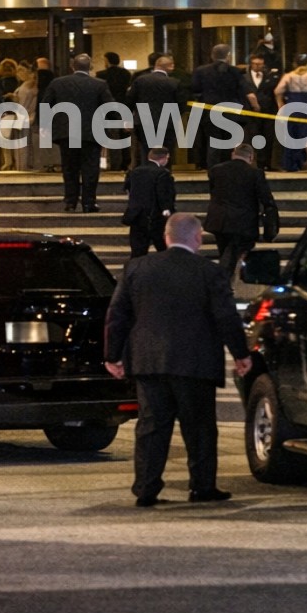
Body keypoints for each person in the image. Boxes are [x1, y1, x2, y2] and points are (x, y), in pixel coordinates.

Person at [104, 213, 252, 507]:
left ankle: (146, 488)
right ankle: (202, 486)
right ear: (197, 238)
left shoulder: (137, 267)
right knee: (199, 428)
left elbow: (117, 314)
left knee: (151, 427)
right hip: (194, 362)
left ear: (166, 236)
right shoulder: (209, 272)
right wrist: (241, 353)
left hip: (148, 361)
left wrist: (112, 355)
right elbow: (225, 316)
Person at [40, 53, 114, 212]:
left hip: (66, 132)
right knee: (91, 168)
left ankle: (70, 201)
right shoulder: (99, 84)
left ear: (72, 66)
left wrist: (45, 126)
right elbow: (110, 107)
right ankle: (89, 203)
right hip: (92, 133)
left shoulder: (58, 83)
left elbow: (45, 104)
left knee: (69, 167)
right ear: (90, 67)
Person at [204, 142, 276, 275]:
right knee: (233, 255)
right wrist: (271, 226)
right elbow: (266, 199)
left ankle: (224, 280)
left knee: (225, 251)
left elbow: (213, 192)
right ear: (251, 157)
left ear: (233, 154)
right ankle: (223, 280)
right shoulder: (255, 173)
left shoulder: (216, 170)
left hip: (219, 220)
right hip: (243, 222)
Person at [125, 52, 186, 172]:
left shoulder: (140, 80)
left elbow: (129, 100)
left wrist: (128, 119)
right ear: (170, 66)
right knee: (165, 151)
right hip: (167, 122)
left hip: (144, 121)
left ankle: (147, 178)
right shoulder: (174, 82)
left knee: (146, 151)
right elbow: (181, 105)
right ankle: (164, 177)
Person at [191, 44, 243, 167]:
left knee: (212, 141)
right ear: (228, 56)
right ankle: (227, 167)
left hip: (209, 109)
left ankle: (213, 169)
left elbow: (194, 88)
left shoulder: (201, 71)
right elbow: (241, 90)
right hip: (230, 110)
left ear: (212, 56)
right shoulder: (234, 71)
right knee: (229, 141)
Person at [121, 147, 176, 259]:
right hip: (156, 216)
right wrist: (167, 209)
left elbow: (127, 188)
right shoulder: (162, 173)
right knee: (164, 250)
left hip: (137, 215)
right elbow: (163, 194)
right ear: (164, 158)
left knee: (138, 251)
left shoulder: (134, 171)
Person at [241, 54, 280, 170]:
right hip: (249, 112)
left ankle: (265, 162)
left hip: (267, 112)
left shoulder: (270, 77)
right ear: (251, 64)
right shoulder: (244, 77)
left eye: (260, 64)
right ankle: (251, 162)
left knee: (267, 137)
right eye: (255, 64)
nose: (258, 66)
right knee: (251, 137)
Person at [96, 52, 134, 171]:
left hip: (106, 107)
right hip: (123, 105)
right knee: (124, 135)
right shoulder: (126, 74)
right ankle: (124, 162)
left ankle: (110, 161)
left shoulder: (101, 75)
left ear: (107, 61)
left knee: (107, 136)